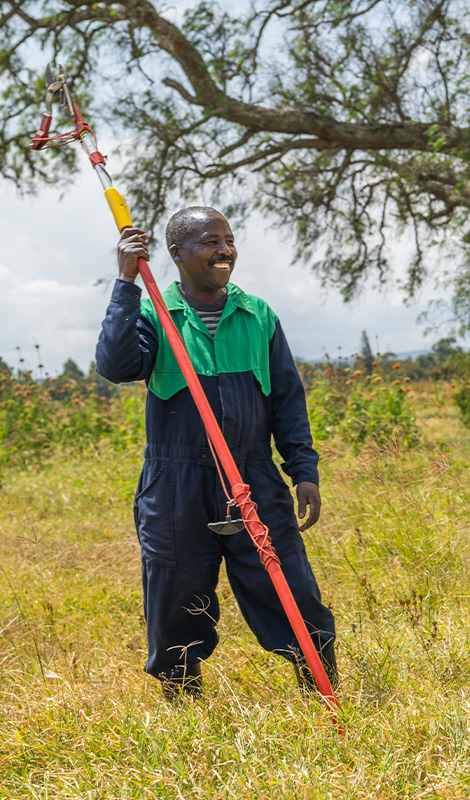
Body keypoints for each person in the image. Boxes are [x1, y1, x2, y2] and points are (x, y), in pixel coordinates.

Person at [95, 206, 336, 700]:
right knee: (176, 604)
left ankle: (323, 693)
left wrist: (303, 470)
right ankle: (185, 711)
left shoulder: (257, 315)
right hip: (175, 485)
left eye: (227, 240)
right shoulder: (154, 314)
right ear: (176, 253)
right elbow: (116, 366)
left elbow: (288, 401)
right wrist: (125, 282)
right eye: (209, 242)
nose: (224, 251)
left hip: (253, 478)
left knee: (293, 593)